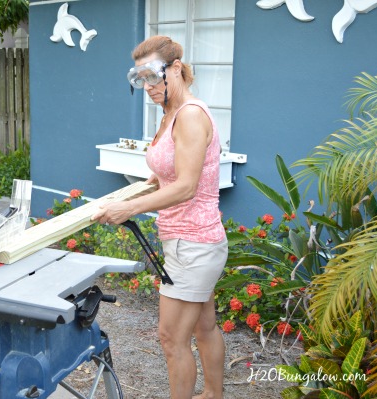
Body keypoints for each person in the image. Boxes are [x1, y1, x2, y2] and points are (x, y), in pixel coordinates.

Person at [91, 36, 228, 399]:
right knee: (205, 327)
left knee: (171, 339)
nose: (148, 87)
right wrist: (151, 181)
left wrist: (128, 208)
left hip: (193, 243)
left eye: (152, 77)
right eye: (140, 80)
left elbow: (186, 187)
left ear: (176, 69)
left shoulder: (191, 116)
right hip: (190, 239)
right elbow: (175, 171)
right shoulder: (170, 114)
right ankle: (213, 394)